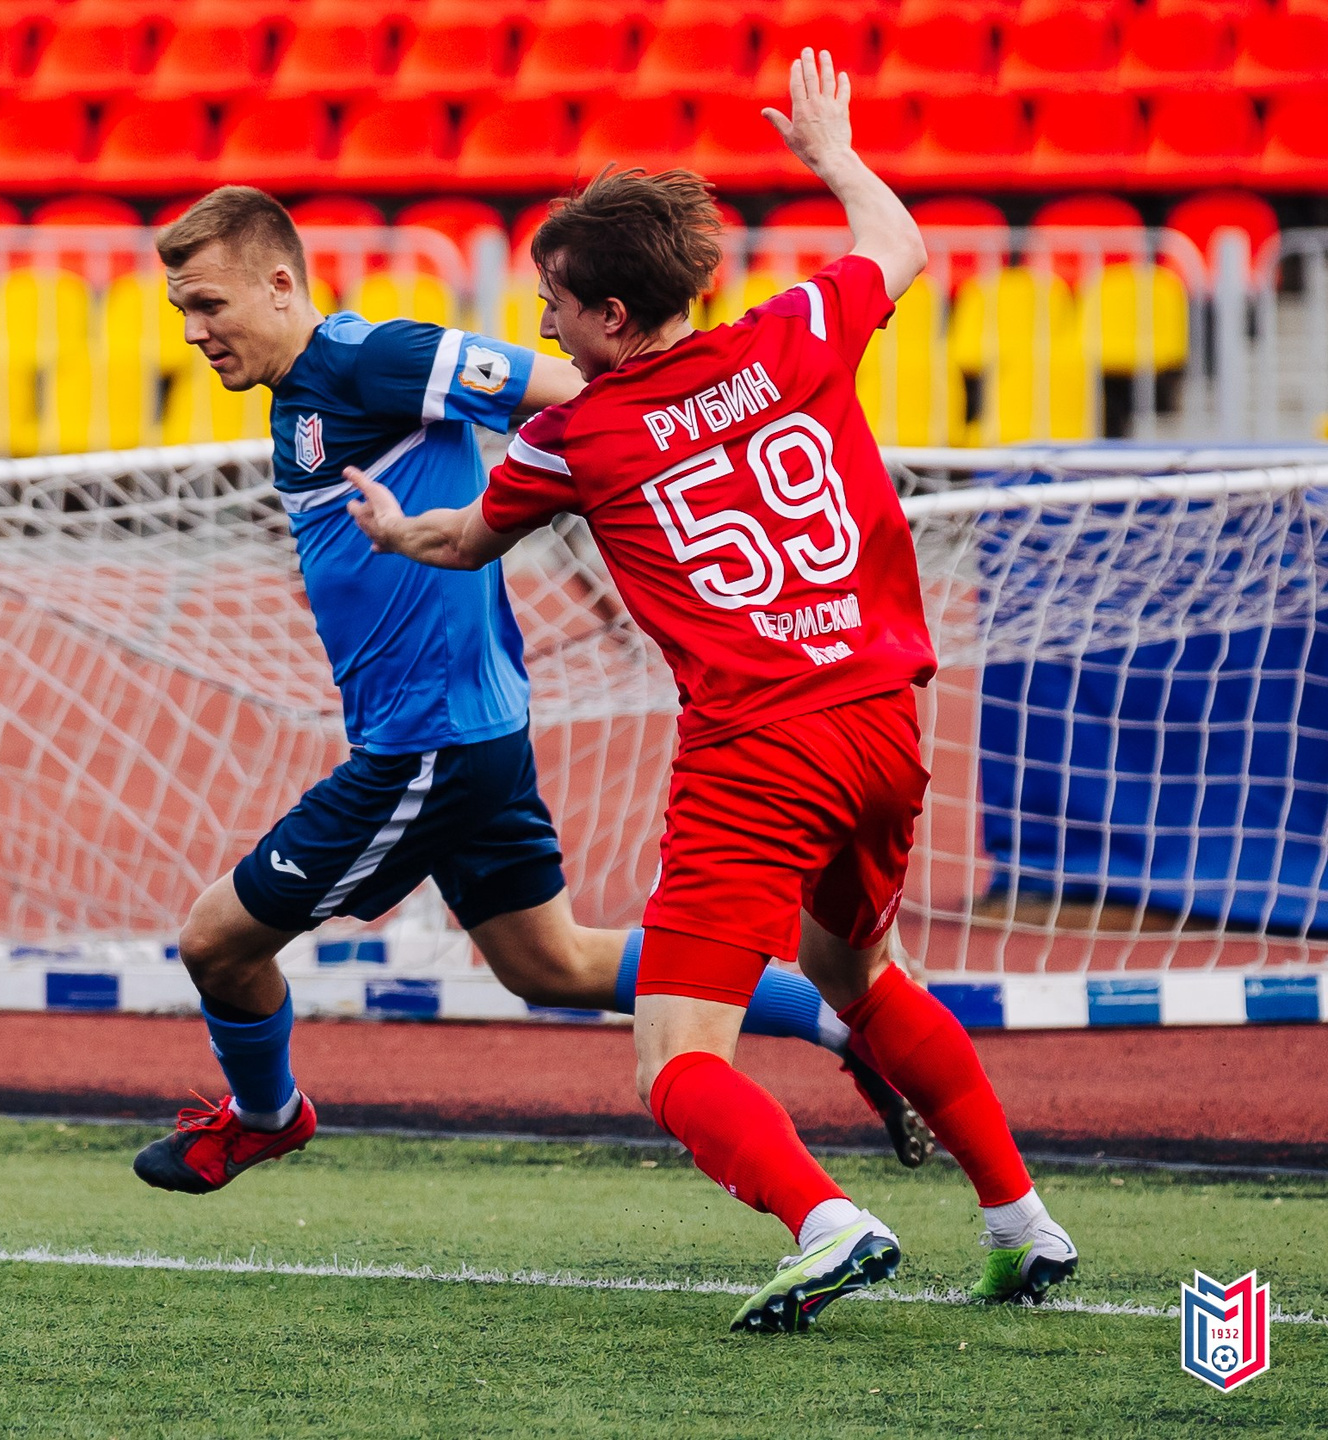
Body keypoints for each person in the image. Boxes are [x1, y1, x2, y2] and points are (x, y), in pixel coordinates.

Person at [345, 51, 1077, 1331]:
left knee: (677, 1056)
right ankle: (1021, 1221)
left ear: (616, 318)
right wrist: (831, 155)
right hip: (883, 723)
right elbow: (897, 245)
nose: (543, 327)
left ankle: (828, 1222)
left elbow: (465, 540)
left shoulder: (576, 435)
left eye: (556, 306)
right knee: (859, 974)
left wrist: (396, 532)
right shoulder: (792, 335)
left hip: (758, 750)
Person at [130, 183, 936, 1201]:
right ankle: (839, 1024)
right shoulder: (306, 391)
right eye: (182, 315)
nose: (197, 333)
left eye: (211, 307)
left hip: (429, 744)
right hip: (468, 728)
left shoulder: (373, 358)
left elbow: (570, 390)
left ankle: (263, 1117)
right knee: (548, 964)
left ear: (280, 283)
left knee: (215, 941)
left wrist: (633, 491)